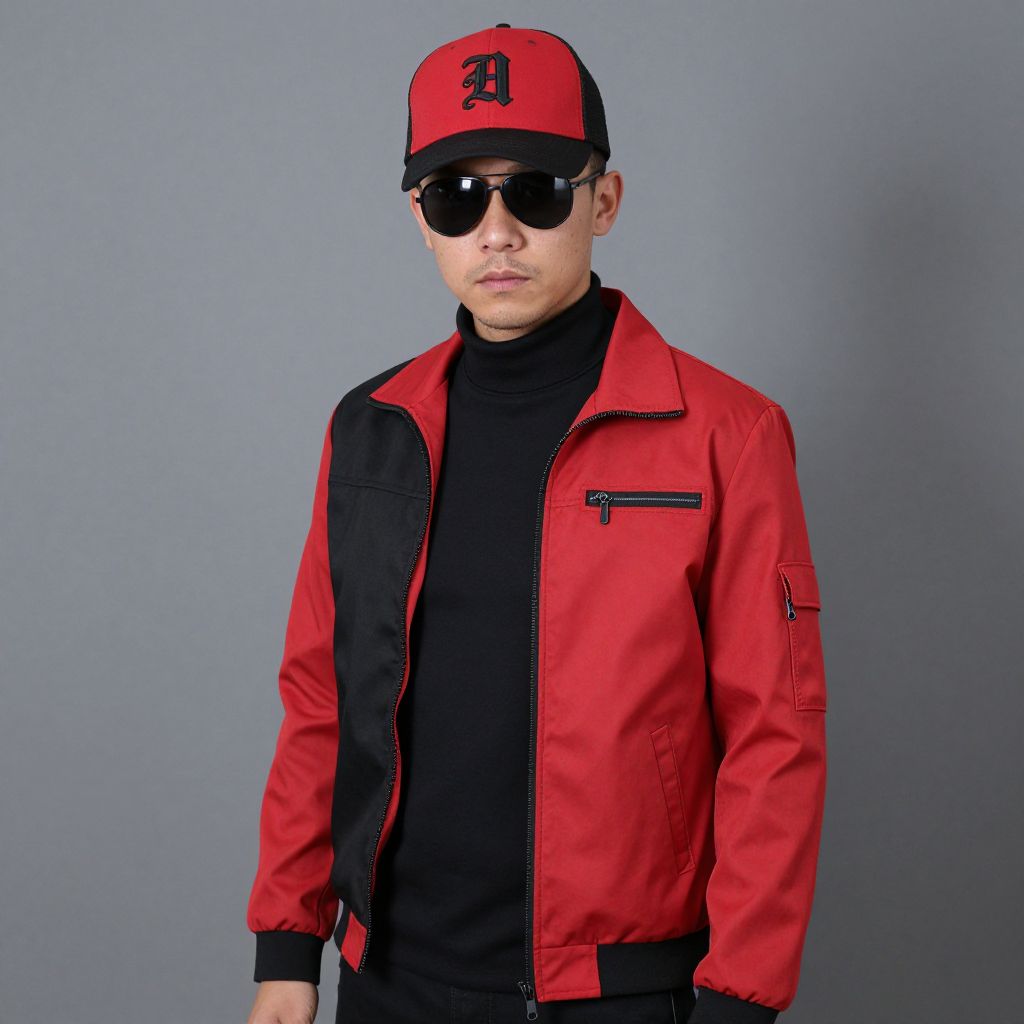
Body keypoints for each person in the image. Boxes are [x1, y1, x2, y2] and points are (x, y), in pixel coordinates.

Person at [245, 22, 828, 1024]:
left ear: (604, 200)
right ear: (420, 218)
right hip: (389, 981)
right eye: (457, 195)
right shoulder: (372, 428)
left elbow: (775, 739)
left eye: (538, 190)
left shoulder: (727, 435)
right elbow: (320, 702)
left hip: (618, 991)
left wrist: (738, 999)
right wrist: (288, 948)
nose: (498, 231)